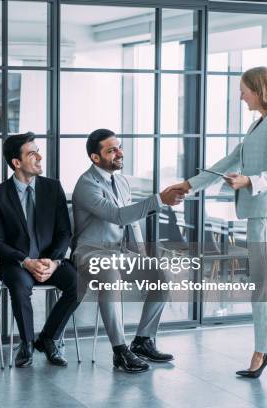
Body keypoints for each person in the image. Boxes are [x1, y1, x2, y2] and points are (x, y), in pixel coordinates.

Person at [167, 66, 267, 378]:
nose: (241, 95)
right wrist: (188, 186)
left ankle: (263, 350)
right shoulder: (259, 123)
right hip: (260, 212)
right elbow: (228, 162)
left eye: (244, 90)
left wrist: (249, 180)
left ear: (259, 89)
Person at [72, 128, 184, 372]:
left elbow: (132, 222)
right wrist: (159, 199)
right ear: (95, 157)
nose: (119, 152)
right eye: (111, 150)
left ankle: (143, 340)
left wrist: (143, 258)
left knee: (161, 273)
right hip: (91, 253)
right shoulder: (86, 184)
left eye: (119, 147)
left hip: (118, 254)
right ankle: (120, 350)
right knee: (110, 275)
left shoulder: (121, 181)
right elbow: (118, 216)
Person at [0, 132, 80, 368]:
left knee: (79, 284)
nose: (39, 157)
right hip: (16, 263)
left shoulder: (53, 188)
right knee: (19, 286)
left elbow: (64, 232)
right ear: (16, 163)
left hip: (50, 261)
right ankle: (26, 343)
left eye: (38, 151)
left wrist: (54, 262)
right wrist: (26, 261)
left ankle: (48, 338)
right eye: (32, 153)